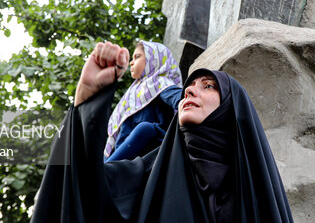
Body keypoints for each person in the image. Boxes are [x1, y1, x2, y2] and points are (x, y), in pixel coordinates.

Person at [31, 41, 293, 223]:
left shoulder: (256, 184)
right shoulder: (149, 171)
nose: (190, 91)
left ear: (231, 106)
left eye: (209, 86)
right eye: (190, 86)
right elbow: (84, 184)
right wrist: (86, 106)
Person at [104, 41, 182, 161]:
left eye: (137, 57)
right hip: (125, 149)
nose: (131, 62)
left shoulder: (160, 83)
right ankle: (106, 167)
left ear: (154, 59)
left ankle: (106, 170)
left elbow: (180, 99)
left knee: (144, 128)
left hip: (151, 142)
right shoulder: (131, 93)